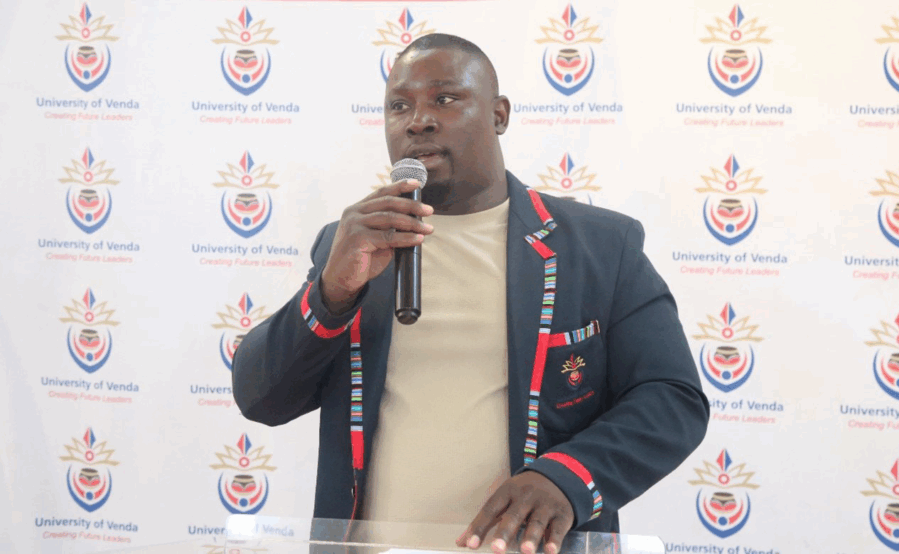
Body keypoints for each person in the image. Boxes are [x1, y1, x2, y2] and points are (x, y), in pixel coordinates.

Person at [233, 33, 709, 554]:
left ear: (499, 114)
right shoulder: (353, 245)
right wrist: (331, 293)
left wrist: (567, 478)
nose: (418, 121)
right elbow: (262, 398)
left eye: (444, 98)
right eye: (399, 106)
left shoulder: (598, 245)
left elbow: (672, 399)